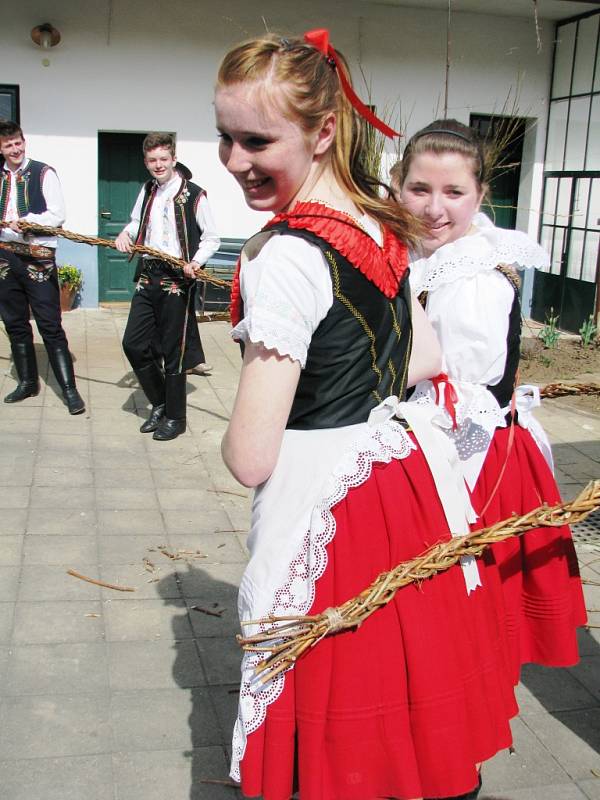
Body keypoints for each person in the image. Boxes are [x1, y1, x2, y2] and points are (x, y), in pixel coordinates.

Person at [217, 32, 520, 800]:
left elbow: (252, 455)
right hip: (405, 482)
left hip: (330, 500)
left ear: (322, 133)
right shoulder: (379, 221)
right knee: (410, 691)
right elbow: (421, 359)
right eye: (226, 136)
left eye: (256, 140)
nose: (234, 160)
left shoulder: (284, 255)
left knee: (338, 705)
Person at [393, 118, 586, 685]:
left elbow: (465, 393)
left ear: (480, 196)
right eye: (419, 189)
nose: (434, 208)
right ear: (398, 184)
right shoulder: (421, 256)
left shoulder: (473, 273)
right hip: (433, 445)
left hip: (469, 461)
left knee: (460, 616)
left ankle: (459, 759)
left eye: (454, 192)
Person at [115, 132, 220, 440]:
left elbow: (212, 237)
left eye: (163, 159)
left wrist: (196, 262)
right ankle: (160, 402)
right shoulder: (147, 190)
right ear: (146, 162)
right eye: (152, 160)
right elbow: (137, 223)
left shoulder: (195, 194)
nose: (158, 165)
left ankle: (176, 417)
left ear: (174, 159)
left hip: (178, 277)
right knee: (133, 343)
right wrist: (125, 234)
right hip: (149, 273)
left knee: (173, 350)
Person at [0, 120, 85, 414]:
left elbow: (57, 214)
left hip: (38, 255)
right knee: (14, 322)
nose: (15, 149)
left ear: (24, 142)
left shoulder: (43, 172)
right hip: (4, 255)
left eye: (18, 143)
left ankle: (70, 391)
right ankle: (27, 383)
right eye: (8, 145)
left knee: (49, 323)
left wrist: (28, 223)